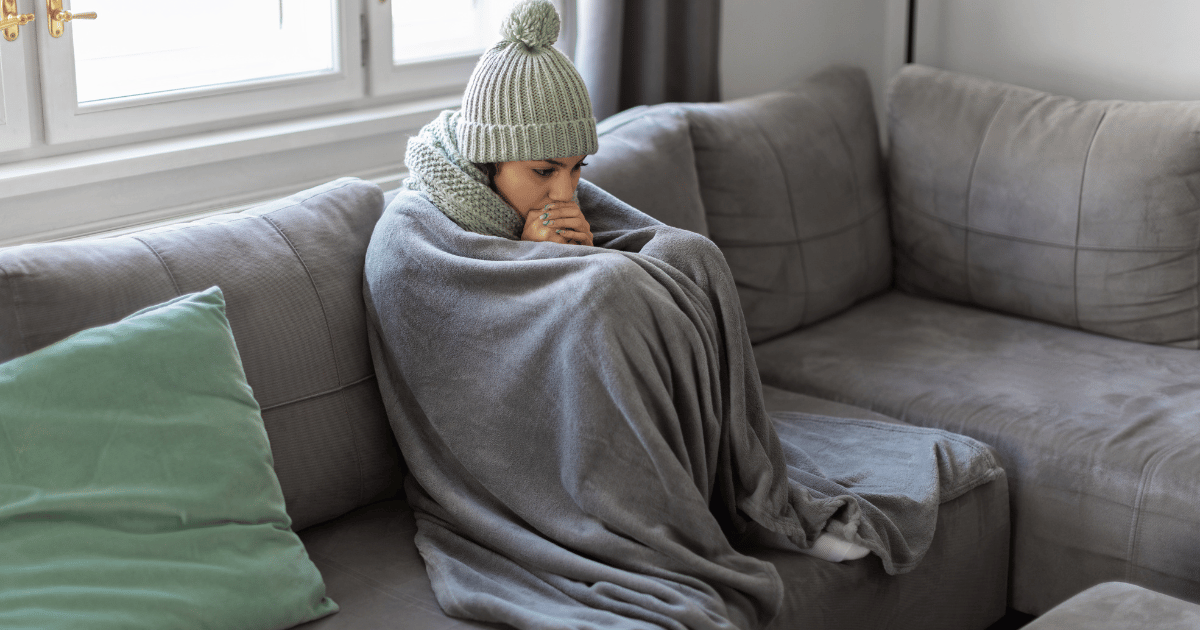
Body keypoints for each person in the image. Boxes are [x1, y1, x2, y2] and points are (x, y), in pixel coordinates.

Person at [363, 1, 981, 628]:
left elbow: (645, 242)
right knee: (603, 290)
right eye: (544, 172)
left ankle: (749, 493)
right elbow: (462, 338)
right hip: (513, 452)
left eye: (576, 170)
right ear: (486, 158)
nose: (564, 194)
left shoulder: (539, 188)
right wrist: (551, 265)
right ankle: (656, 522)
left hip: (581, 305)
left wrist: (562, 256)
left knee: (691, 254)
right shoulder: (413, 235)